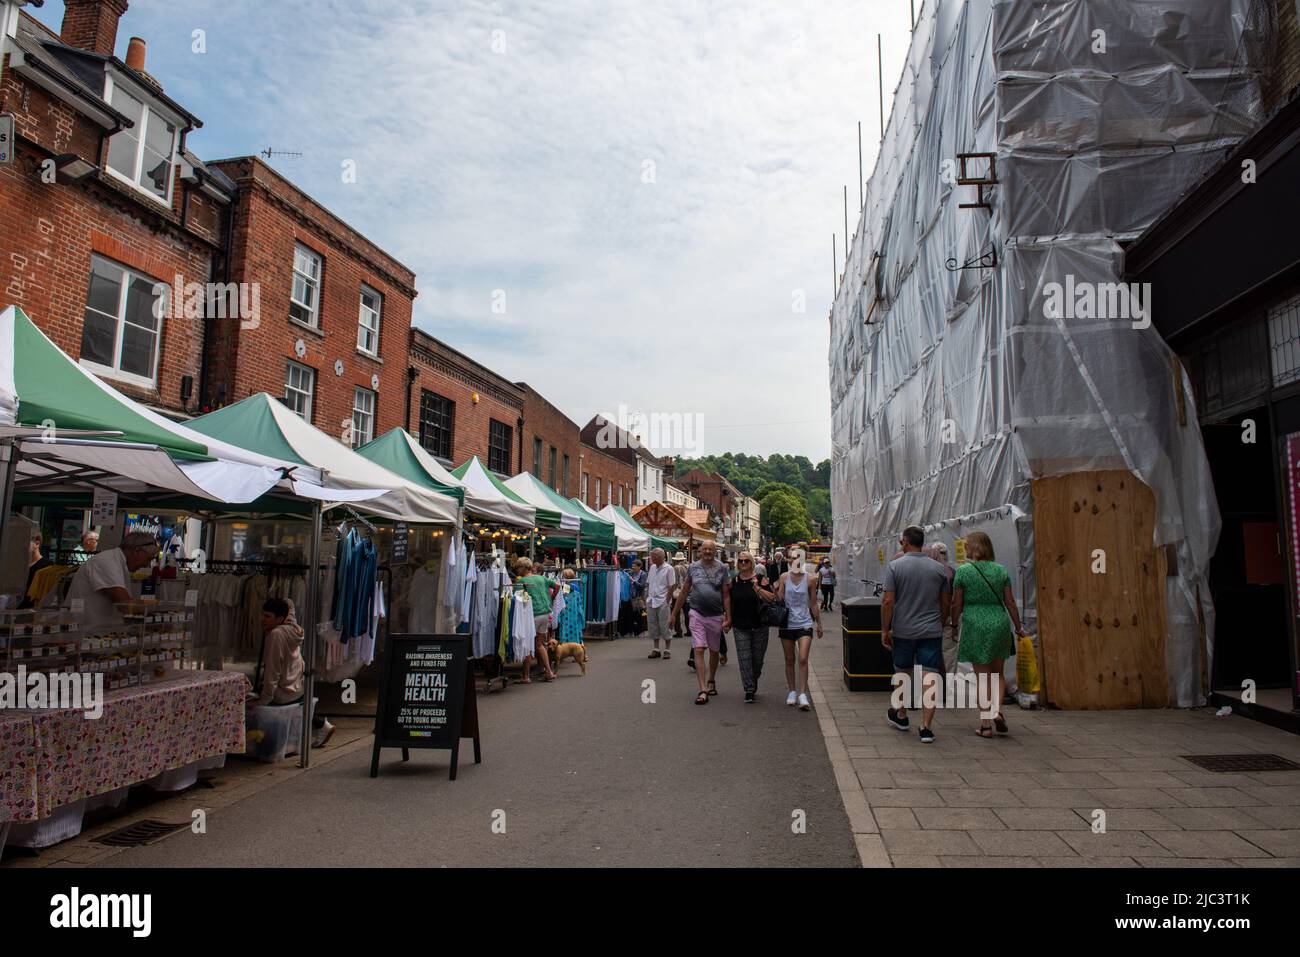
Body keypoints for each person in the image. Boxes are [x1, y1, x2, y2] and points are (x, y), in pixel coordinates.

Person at [952, 531, 1025, 738]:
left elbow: (957, 603)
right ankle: (998, 711)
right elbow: (1009, 602)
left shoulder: (963, 572)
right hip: (999, 622)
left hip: (975, 623)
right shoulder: (1000, 570)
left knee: (982, 677)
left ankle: (985, 724)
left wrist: (954, 624)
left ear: (972, 547)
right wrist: (1018, 627)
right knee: (997, 674)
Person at [882, 526, 951, 743]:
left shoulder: (895, 566)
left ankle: (901, 715)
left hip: (903, 629)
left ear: (905, 542)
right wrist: (940, 622)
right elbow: (945, 602)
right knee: (930, 675)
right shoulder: (939, 569)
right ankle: (926, 726)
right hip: (931, 630)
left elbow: (888, 601)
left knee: (902, 671)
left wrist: (885, 628)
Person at [671, 540, 730, 705]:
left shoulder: (722, 568)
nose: (707, 552)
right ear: (700, 551)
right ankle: (703, 689)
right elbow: (684, 591)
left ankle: (711, 680)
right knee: (698, 648)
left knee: (714, 651)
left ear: (715, 551)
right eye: (705, 549)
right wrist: (674, 614)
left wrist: (728, 617)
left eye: (710, 549)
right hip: (696, 612)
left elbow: (726, 595)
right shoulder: (693, 568)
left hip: (716, 615)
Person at [65, 531, 159, 627]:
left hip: (101, 631)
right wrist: (158, 606)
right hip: (86, 631)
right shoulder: (107, 561)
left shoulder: (119, 563)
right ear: (137, 551)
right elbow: (125, 605)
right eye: (148, 559)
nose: (147, 565)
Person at [774, 549, 823, 711]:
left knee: (802, 658)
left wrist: (819, 624)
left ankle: (803, 694)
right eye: (793, 558)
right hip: (787, 623)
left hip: (804, 623)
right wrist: (775, 590)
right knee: (789, 659)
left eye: (798, 558)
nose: (795, 561)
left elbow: (813, 603)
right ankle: (792, 692)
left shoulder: (810, 580)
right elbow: (779, 600)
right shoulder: (784, 577)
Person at [729, 551, 775, 703]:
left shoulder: (760, 579)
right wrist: (727, 619)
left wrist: (758, 590)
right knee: (745, 659)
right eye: (740, 561)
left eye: (746, 561)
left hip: (760, 626)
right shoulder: (733, 581)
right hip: (740, 626)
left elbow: (772, 599)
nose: (743, 564)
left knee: (757, 660)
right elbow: (728, 602)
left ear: (751, 563)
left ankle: (752, 680)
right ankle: (749, 689)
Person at [514, 558, 559, 682]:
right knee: (540, 644)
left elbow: (517, 599)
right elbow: (558, 585)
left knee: (528, 644)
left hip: (532, 615)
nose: (517, 570)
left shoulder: (522, 581)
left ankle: (526, 676)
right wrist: (552, 598)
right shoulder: (541, 578)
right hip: (545, 613)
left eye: (518, 568)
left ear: (523, 568)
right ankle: (549, 672)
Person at [923, 542, 959, 675]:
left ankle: (932, 688)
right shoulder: (953, 573)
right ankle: (948, 689)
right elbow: (956, 601)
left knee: (928, 655)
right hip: (947, 620)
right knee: (949, 655)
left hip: (929, 620)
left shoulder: (927, 573)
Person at [644, 547, 677, 659]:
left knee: (665, 625)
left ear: (660, 557)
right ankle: (656, 648)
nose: (651, 558)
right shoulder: (652, 567)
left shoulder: (669, 568)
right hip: (651, 600)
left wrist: (667, 601)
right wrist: (647, 597)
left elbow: (672, 585)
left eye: (653, 556)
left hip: (662, 601)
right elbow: (648, 583)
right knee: (652, 624)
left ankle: (667, 649)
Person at [19, 531, 51, 609]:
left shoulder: (47, 565)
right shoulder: (20, 564)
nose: (23, 545)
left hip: (33, 611)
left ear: (37, 543)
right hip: (18, 609)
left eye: (26, 542)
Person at [671, 552, 689, 640]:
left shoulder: (676, 568)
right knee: (687, 613)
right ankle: (689, 630)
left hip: (678, 593)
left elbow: (675, 581)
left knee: (676, 612)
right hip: (687, 592)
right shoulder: (687, 567)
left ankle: (678, 631)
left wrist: (672, 591)